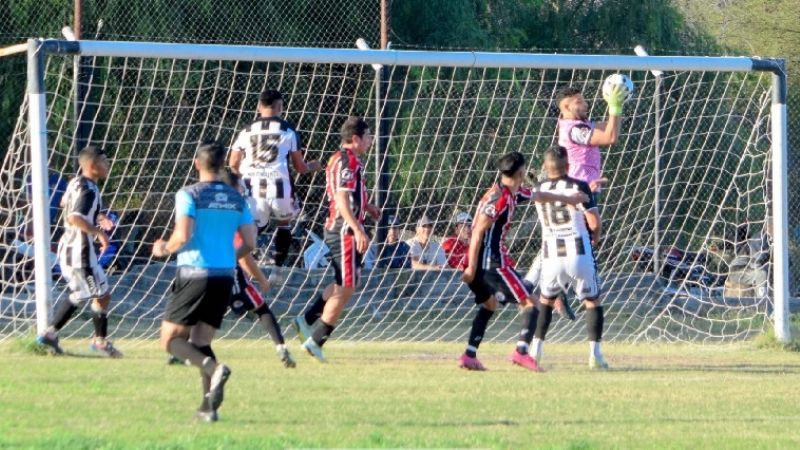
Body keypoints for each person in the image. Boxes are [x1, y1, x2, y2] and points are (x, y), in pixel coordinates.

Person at [152, 141, 256, 422]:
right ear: (223, 165)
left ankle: (213, 368)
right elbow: (250, 242)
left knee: (170, 341)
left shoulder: (189, 194)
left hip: (194, 273)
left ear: (197, 163)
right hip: (224, 275)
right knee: (201, 340)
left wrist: (163, 248)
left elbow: (183, 236)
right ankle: (208, 408)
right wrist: (229, 256)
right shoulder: (238, 199)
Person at [459, 151, 587, 372]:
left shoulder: (510, 193)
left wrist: (569, 199)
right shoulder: (499, 198)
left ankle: (469, 356)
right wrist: (471, 266)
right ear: (520, 172)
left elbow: (539, 195)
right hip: (492, 264)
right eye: (525, 169)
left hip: (485, 262)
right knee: (531, 303)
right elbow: (478, 230)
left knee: (490, 305)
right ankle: (520, 352)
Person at [168, 169, 296, 368]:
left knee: (196, 315)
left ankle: (181, 353)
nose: (243, 191)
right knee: (261, 308)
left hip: (198, 270)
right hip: (227, 273)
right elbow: (244, 253)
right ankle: (281, 348)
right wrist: (261, 278)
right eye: (240, 187)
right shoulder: (234, 210)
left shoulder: (204, 205)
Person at [293, 117, 380, 362]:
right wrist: (358, 229)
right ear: (356, 139)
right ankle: (316, 341)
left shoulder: (339, 158)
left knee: (345, 281)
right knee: (347, 286)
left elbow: (349, 196)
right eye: (368, 135)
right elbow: (342, 200)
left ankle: (307, 319)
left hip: (342, 227)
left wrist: (368, 207)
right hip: (344, 230)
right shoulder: (347, 161)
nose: (371, 140)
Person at [36, 145, 122, 358]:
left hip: (69, 249)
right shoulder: (89, 190)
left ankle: (50, 334)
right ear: (93, 166)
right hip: (80, 253)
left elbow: (66, 202)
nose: (108, 165)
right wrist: (99, 233)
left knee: (84, 293)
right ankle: (99, 342)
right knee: (100, 294)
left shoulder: (75, 182)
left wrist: (97, 216)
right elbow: (75, 217)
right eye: (104, 162)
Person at [529, 145, 607, 370]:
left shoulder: (539, 189)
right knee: (592, 300)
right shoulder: (578, 186)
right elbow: (594, 222)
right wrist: (596, 238)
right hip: (579, 252)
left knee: (545, 301)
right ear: (569, 165)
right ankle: (595, 355)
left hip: (551, 255)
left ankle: (535, 352)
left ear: (545, 167)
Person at [228, 89, 322, 267]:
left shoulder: (246, 131)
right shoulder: (288, 130)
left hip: (253, 189)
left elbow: (233, 163)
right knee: (284, 223)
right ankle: (279, 270)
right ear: (280, 107)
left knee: (252, 230)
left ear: (258, 107)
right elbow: (300, 167)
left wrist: (245, 176)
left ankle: (231, 263)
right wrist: (313, 166)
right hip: (280, 188)